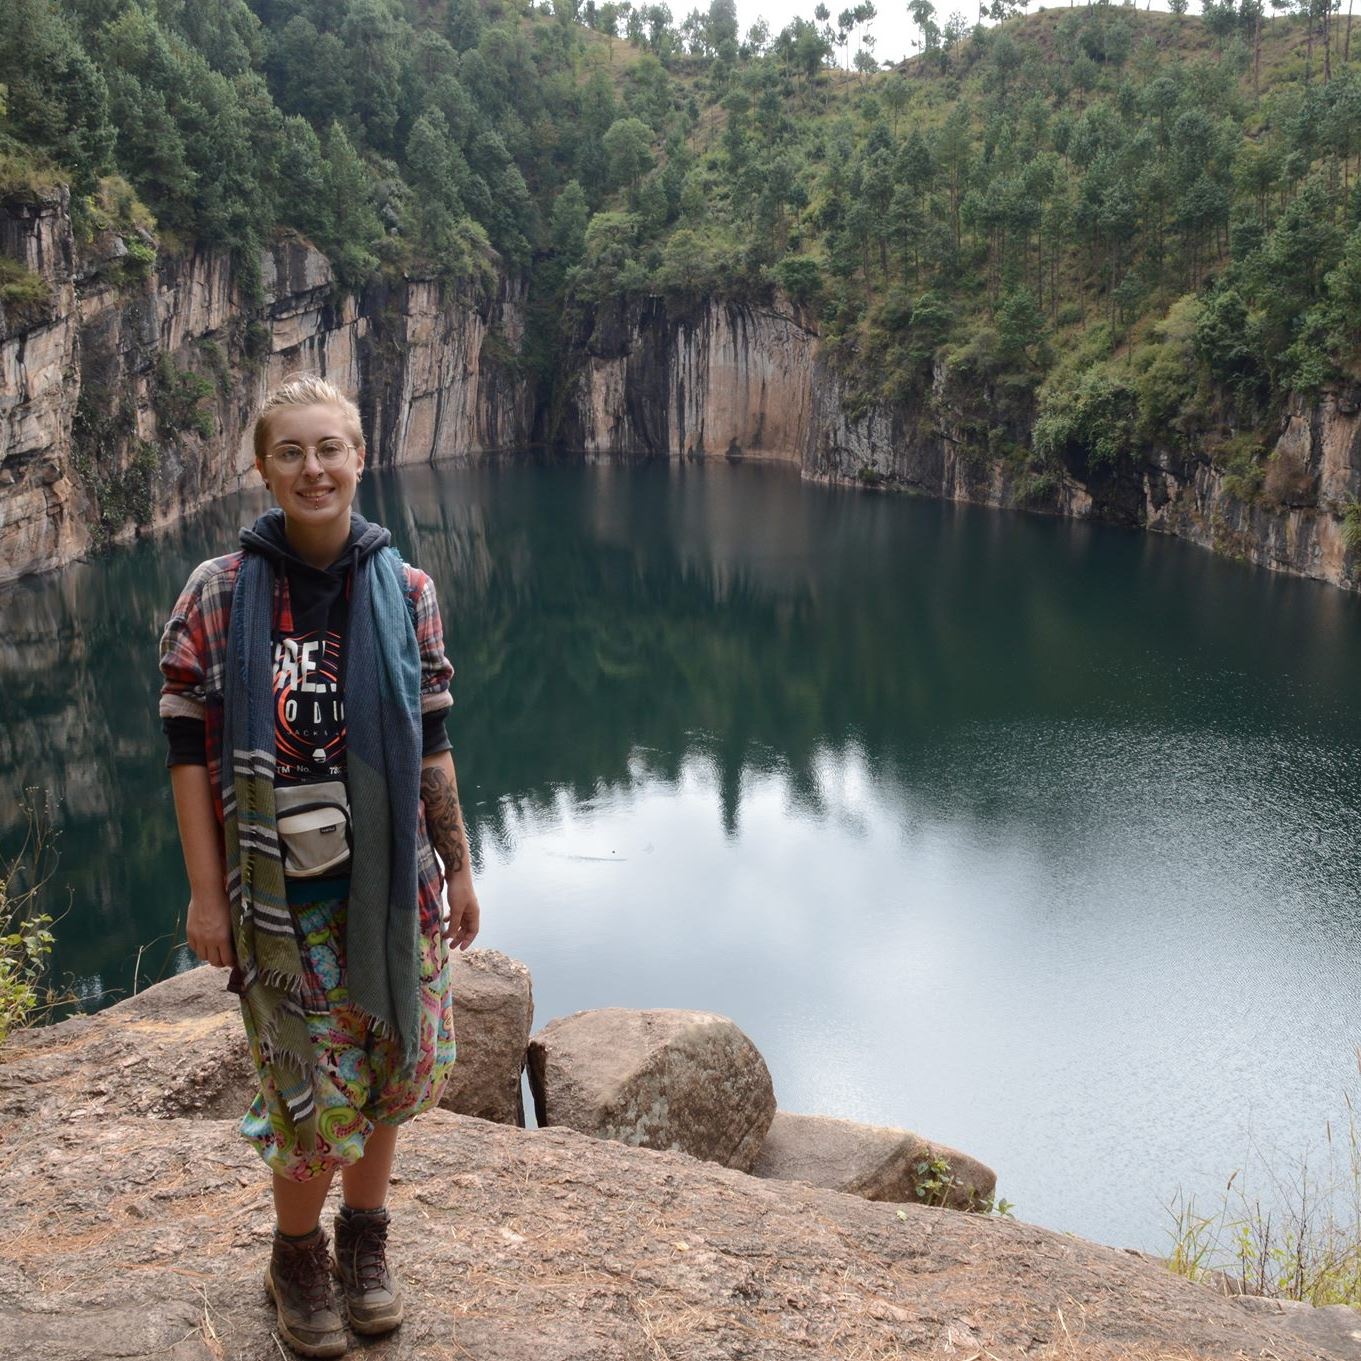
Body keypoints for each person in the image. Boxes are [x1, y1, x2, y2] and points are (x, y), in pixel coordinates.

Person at [159, 373, 480, 1358]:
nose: (314, 467)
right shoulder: (216, 593)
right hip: (278, 900)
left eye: (330, 447)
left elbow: (431, 744)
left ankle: (363, 1244)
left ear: (359, 454)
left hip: (390, 891)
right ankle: (297, 1255)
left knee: (386, 1071)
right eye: (291, 451)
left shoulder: (408, 591)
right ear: (262, 466)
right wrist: (207, 893)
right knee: (306, 1095)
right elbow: (186, 752)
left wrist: (459, 868)